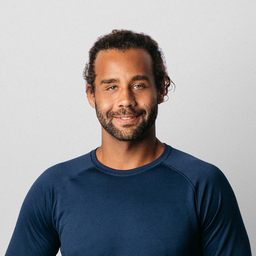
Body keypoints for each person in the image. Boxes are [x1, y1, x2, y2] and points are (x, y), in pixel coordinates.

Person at [5, 30, 251, 256]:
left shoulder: (203, 183)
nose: (126, 100)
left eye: (138, 85)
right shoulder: (54, 187)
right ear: (92, 94)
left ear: (161, 89)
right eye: (111, 87)